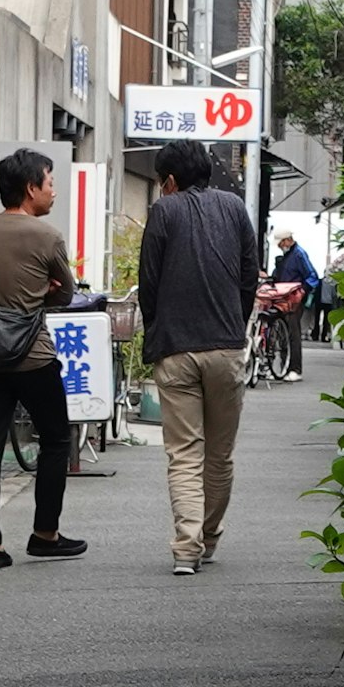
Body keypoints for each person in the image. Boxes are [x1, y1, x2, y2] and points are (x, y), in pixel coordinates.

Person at [137, 139, 263, 572]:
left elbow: (148, 283)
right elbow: (250, 276)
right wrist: (234, 323)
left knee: (184, 453)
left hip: (175, 350)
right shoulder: (233, 208)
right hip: (226, 347)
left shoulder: (163, 212)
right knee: (220, 454)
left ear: (168, 181)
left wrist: (156, 331)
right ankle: (207, 538)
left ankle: (186, 549)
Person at [0, 149, 87, 569]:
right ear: (31, 188)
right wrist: (45, 292)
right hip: (33, 358)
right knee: (55, 440)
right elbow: (65, 294)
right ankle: (45, 534)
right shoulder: (46, 236)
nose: (54, 190)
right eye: (50, 182)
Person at [269, 228, 324, 366]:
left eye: (281, 243)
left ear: (287, 240)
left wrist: (303, 291)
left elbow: (312, 276)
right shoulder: (290, 256)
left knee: (293, 333)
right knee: (284, 333)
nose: (279, 246)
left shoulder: (299, 254)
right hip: (284, 298)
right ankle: (285, 366)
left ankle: (295, 367)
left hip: (293, 299)